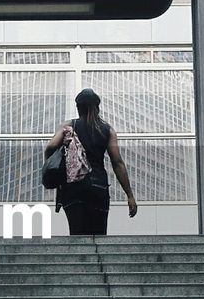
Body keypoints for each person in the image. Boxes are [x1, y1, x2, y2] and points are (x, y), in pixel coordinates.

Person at [43, 88, 137, 235]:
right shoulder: (107, 130)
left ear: (78, 108)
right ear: (97, 108)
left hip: (73, 187)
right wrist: (129, 195)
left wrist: (55, 161)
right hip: (98, 186)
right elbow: (117, 162)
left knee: (77, 235)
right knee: (99, 235)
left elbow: (50, 147)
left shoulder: (68, 126)